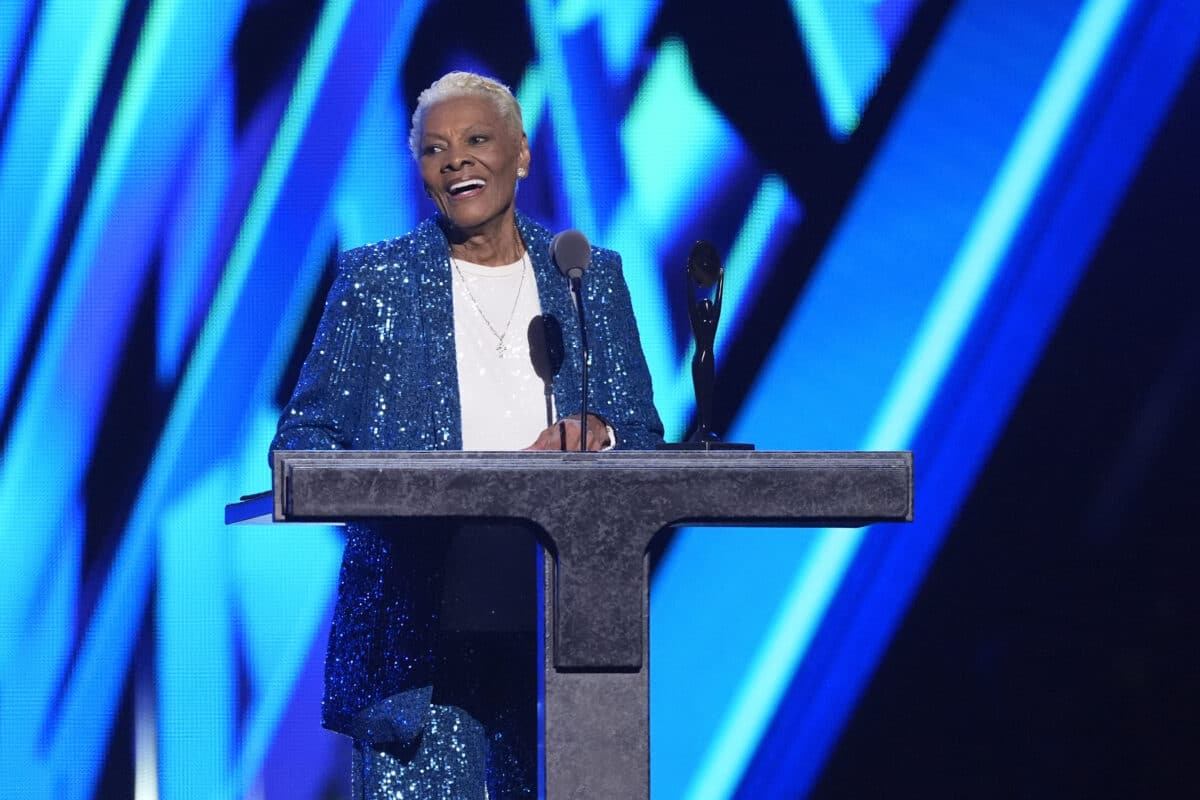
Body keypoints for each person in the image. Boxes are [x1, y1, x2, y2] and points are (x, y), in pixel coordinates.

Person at [271, 71, 664, 799]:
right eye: (434, 149)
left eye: (477, 140)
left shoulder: (588, 280)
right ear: (420, 173)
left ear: (520, 153)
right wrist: (378, 481)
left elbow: (642, 431)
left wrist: (599, 430)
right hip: (420, 647)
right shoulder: (374, 281)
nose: (456, 160)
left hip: (560, 634)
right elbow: (305, 438)